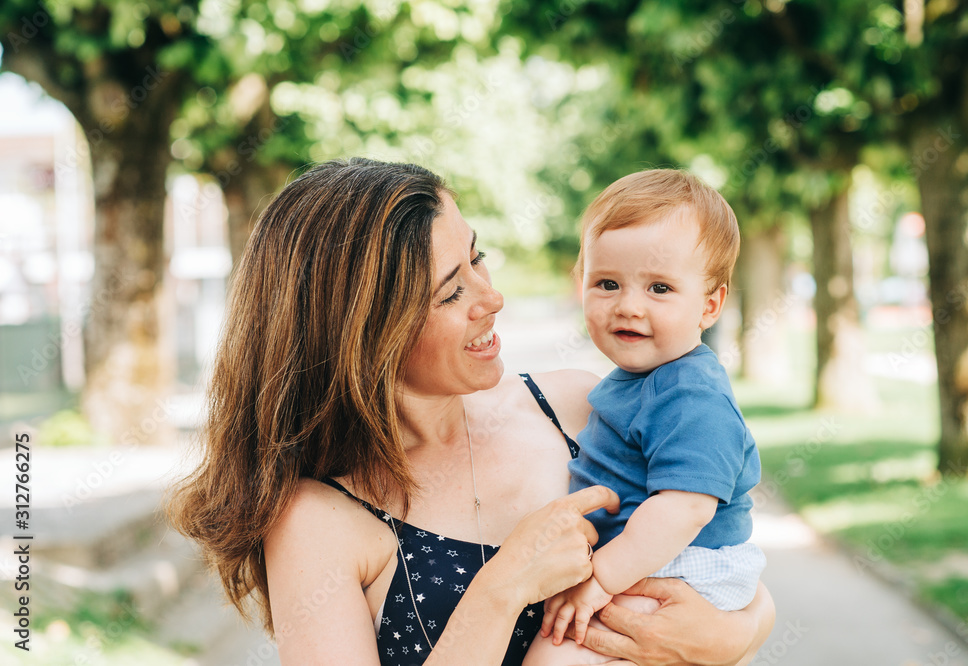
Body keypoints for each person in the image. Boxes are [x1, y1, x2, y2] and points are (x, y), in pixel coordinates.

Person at [169, 158, 775, 665]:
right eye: (452, 290)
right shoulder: (318, 518)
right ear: (364, 333)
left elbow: (720, 561)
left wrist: (733, 635)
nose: (493, 298)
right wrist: (505, 585)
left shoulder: (573, 407)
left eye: (478, 258)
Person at [525, 170, 766, 665]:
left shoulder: (690, 393)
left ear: (710, 304)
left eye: (659, 288)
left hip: (682, 562)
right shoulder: (643, 380)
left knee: (560, 655)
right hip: (653, 554)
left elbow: (684, 509)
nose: (628, 307)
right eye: (607, 283)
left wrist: (600, 580)